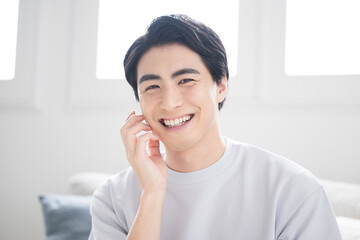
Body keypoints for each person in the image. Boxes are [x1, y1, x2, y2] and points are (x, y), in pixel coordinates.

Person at [89, 14, 341, 240]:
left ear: (221, 86)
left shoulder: (292, 189)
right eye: (152, 87)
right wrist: (152, 196)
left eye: (186, 80)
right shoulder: (113, 198)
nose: (170, 102)